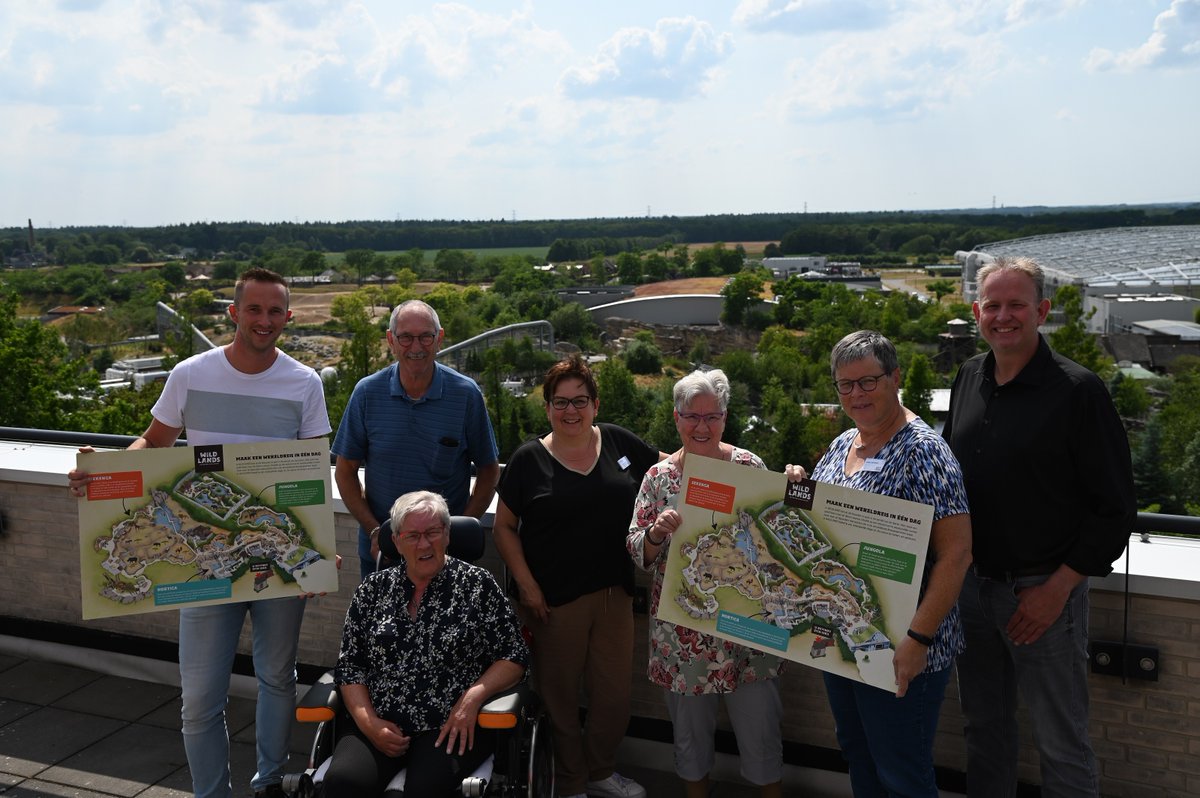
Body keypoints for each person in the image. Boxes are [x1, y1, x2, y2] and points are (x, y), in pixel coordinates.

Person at [67, 267, 331, 798]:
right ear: (234, 313)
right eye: (253, 310)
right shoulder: (190, 373)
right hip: (207, 565)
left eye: (275, 311)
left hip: (272, 559)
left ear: (288, 317)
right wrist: (103, 473)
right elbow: (154, 442)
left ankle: (269, 783)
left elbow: (312, 475)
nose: (264, 320)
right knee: (199, 698)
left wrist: (316, 555)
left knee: (278, 679)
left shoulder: (306, 382)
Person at [944, 256, 1135, 797]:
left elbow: (1116, 508)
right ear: (978, 312)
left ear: (1042, 311)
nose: (1004, 316)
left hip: (1042, 596)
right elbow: (947, 478)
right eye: (993, 306)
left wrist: (1057, 589)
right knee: (984, 732)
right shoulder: (968, 377)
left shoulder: (1078, 391)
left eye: (1017, 305)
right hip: (972, 591)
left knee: (1062, 744)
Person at [791, 330, 972, 797]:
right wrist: (795, 485)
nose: (856, 394)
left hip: (901, 646)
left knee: (903, 772)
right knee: (859, 754)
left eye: (867, 382)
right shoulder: (841, 445)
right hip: (847, 637)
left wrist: (917, 639)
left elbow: (957, 553)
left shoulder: (925, 452)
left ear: (895, 378)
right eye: (845, 385)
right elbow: (824, 525)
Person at [493, 355, 661, 798]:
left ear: (596, 404)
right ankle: (569, 783)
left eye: (580, 401)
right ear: (547, 408)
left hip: (614, 596)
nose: (571, 411)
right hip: (553, 601)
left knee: (613, 696)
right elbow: (504, 527)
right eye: (560, 402)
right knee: (559, 698)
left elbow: (675, 466)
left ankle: (600, 771)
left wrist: (741, 465)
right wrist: (527, 585)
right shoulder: (529, 460)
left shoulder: (619, 444)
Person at [627, 368, 786, 798]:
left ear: (725, 417)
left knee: (762, 738)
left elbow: (779, 530)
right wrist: (657, 533)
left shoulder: (750, 466)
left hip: (747, 633)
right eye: (691, 416)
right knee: (690, 743)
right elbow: (637, 550)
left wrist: (797, 489)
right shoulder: (659, 478)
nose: (702, 426)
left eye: (711, 416)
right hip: (683, 637)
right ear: (676, 419)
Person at [323, 490, 528, 797]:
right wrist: (369, 724)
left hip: (450, 724)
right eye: (413, 535)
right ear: (396, 540)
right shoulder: (372, 590)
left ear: (447, 535)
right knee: (343, 785)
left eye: (433, 532)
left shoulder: (478, 585)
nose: (424, 544)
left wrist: (470, 701)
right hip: (381, 718)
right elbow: (351, 666)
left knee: (426, 790)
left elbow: (514, 656)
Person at [332, 299, 500, 578]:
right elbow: (345, 471)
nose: (416, 347)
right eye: (406, 338)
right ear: (391, 340)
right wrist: (375, 531)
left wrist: (458, 529)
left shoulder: (465, 394)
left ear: (439, 339)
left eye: (425, 336)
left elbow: (489, 470)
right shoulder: (367, 393)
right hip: (383, 554)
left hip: (445, 557)